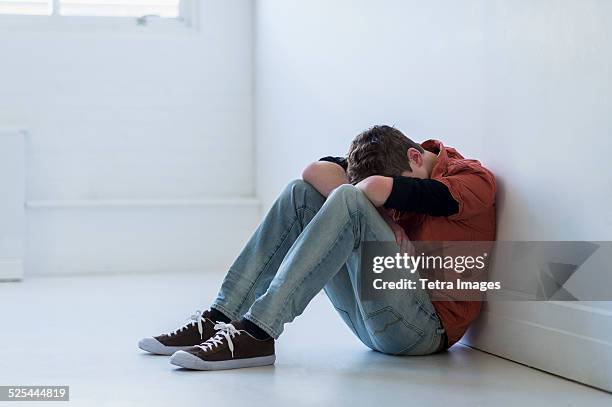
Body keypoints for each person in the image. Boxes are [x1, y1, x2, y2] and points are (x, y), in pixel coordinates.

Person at [138, 125, 496, 371]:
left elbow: (397, 193)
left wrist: (370, 201)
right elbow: (316, 170)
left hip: (422, 331)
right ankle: (219, 318)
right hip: (372, 315)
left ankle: (259, 332)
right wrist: (387, 222)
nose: (391, 211)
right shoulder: (399, 166)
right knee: (301, 194)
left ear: (415, 158)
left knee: (348, 198)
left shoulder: (473, 180)